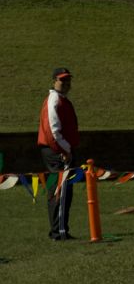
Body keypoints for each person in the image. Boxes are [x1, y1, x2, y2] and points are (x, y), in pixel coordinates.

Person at [37, 67, 79, 240]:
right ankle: (59, 232)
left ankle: (59, 230)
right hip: (56, 151)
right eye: (62, 80)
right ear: (54, 81)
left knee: (62, 191)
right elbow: (52, 131)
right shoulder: (54, 100)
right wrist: (64, 150)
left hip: (58, 150)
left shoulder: (61, 99)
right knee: (60, 192)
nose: (66, 83)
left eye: (68, 80)